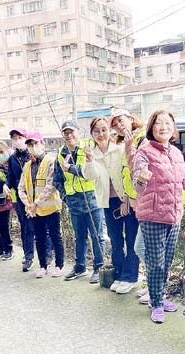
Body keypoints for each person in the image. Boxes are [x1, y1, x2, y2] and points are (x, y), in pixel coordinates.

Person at [132, 110, 185, 324]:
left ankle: (160, 296)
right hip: (153, 216)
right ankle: (156, 303)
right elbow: (137, 187)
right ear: (151, 127)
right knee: (155, 262)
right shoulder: (144, 152)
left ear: (173, 128)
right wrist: (141, 179)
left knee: (166, 261)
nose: (164, 127)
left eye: (168, 123)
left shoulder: (176, 153)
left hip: (174, 216)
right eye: (159, 123)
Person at [83, 117, 140, 294]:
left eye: (104, 130)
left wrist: (125, 200)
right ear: (92, 134)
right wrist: (90, 160)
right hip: (108, 202)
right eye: (97, 131)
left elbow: (128, 175)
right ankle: (121, 274)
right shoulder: (92, 153)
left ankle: (131, 277)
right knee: (116, 241)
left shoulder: (120, 149)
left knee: (131, 239)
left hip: (127, 199)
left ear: (110, 131)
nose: (101, 134)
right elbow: (89, 176)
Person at [55, 120, 106, 284]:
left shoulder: (89, 147)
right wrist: (65, 197)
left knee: (97, 235)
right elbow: (57, 179)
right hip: (73, 201)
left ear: (79, 132)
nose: (69, 135)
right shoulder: (61, 153)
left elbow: (90, 173)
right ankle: (80, 267)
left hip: (92, 198)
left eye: (72, 131)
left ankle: (99, 267)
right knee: (79, 236)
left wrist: (71, 168)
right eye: (66, 132)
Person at [109, 109, 148, 300]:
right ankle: (142, 281)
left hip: (144, 200)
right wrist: (126, 198)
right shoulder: (126, 142)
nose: (118, 125)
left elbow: (142, 170)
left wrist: (135, 198)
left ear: (131, 119)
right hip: (132, 200)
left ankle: (132, 278)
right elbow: (126, 174)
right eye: (115, 124)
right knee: (137, 241)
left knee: (141, 243)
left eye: (120, 120)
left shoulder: (143, 138)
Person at [18, 131, 65, 278]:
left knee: (55, 236)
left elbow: (51, 186)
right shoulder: (27, 166)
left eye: (35, 144)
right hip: (34, 210)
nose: (33, 147)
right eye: (30, 145)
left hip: (50, 208)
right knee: (39, 237)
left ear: (42, 144)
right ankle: (43, 265)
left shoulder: (51, 161)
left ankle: (59, 265)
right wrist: (28, 204)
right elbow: (21, 187)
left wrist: (35, 203)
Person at [7, 128, 52, 272]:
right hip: (23, 199)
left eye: (19, 137)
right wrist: (6, 186)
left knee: (44, 228)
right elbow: (11, 177)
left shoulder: (34, 155)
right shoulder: (12, 158)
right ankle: (28, 257)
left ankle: (47, 254)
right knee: (26, 228)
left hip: (39, 198)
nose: (17, 140)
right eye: (14, 138)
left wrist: (35, 201)